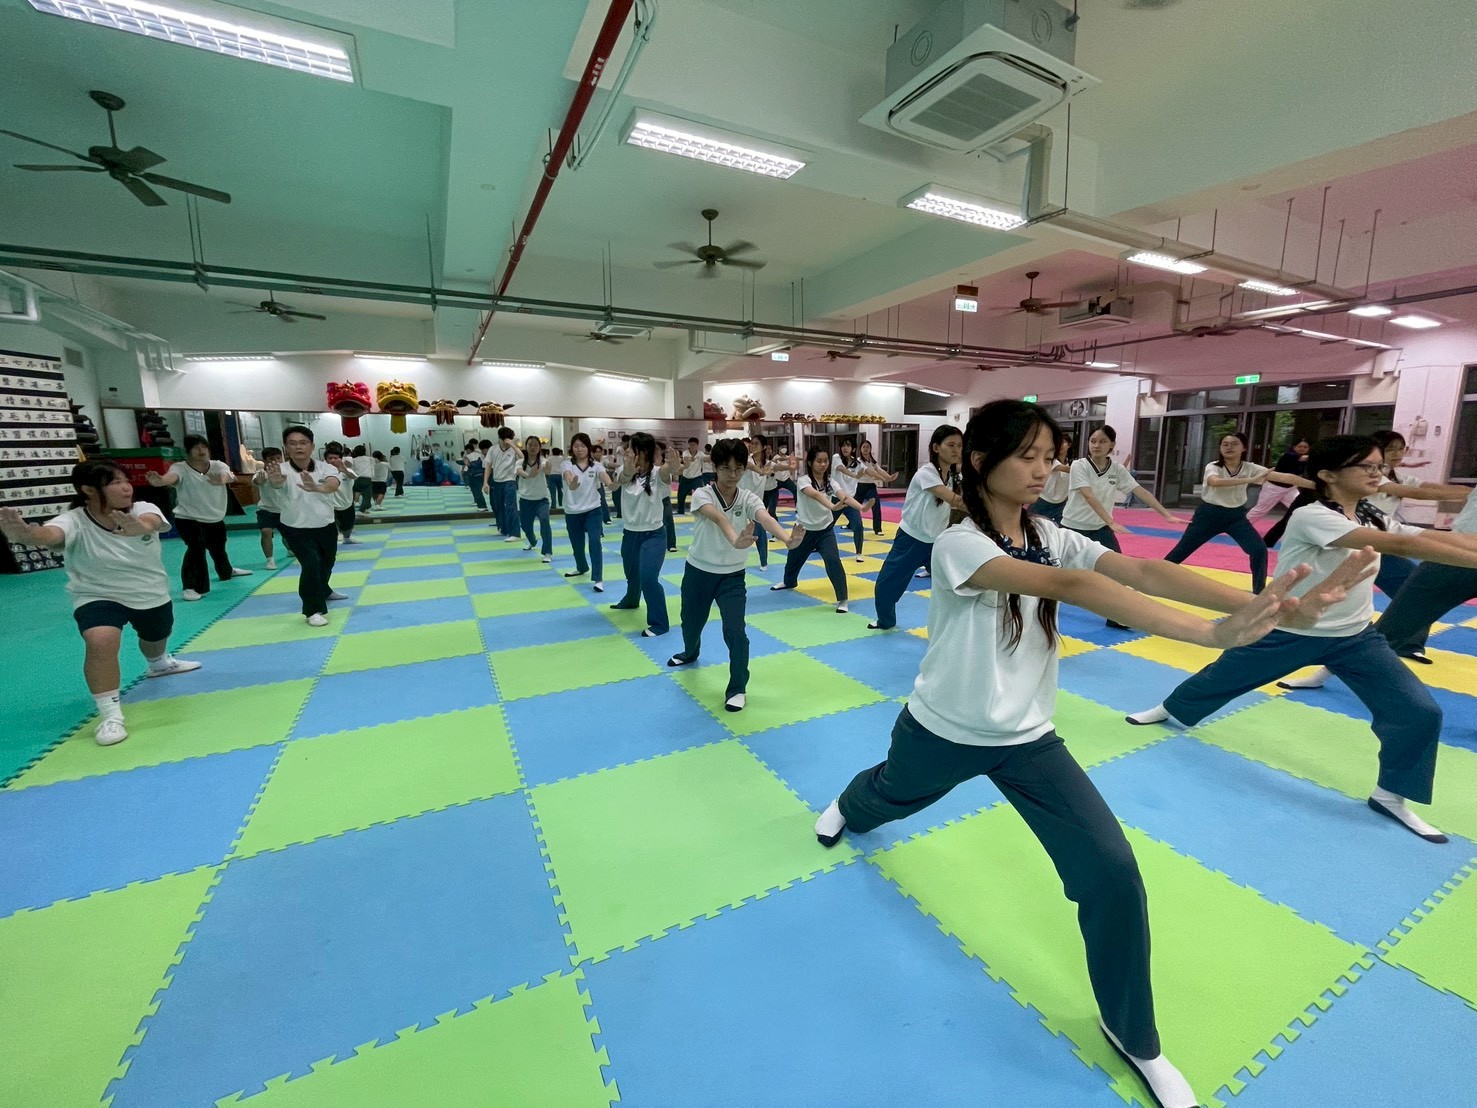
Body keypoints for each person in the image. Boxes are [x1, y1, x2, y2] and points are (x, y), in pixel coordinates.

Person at [814, 400, 1367, 1108]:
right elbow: (1073, 588)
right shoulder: (959, 543)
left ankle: (1133, 1033)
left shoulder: (1048, 532)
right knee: (885, 795)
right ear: (981, 461)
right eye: (1028, 456)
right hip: (943, 730)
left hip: (1028, 741)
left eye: (1051, 456)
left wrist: (1261, 602)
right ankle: (844, 805)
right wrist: (1207, 636)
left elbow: (1137, 572)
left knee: (1110, 874)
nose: (1044, 469)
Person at [1128, 434, 1477, 844]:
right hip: (1291, 630)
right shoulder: (1311, 516)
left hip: (1355, 637)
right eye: (1365, 466)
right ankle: (1172, 708)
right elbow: (1401, 544)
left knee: (1419, 711)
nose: (1377, 473)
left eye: (1379, 466)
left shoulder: (1370, 514)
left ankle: (1392, 795)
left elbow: (1426, 536)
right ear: (1328, 474)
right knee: (1220, 678)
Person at [0, 461, 202, 746]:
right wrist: (26, 536)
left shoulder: (144, 508)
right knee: (101, 641)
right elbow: (51, 535)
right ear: (88, 490)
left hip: (148, 593)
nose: (125, 487)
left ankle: (158, 663)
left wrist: (137, 528)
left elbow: (151, 523)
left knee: (155, 638)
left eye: (126, 480)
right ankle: (110, 715)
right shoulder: (74, 519)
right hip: (96, 593)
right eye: (115, 482)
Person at [668, 438, 800, 711]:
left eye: (739, 469)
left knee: (735, 632)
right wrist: (734, 540)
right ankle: (690, 652)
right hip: (698, 572)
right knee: (690, 623)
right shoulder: (703, 493)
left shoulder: (749, 497)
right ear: (715, 467)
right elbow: (720, 518)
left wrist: (786, 539)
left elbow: (765, 517)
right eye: (727, 469)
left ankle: (738, 687)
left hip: (732, 577)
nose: (733, 475)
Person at [1061, 424, 1186, 628]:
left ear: (1112, 444)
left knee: (1118, 571)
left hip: (1100, 529)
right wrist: (1111, 521)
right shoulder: (1079, 465)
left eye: (1102, 441)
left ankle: (1116, 616)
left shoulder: (1117, 469)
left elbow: (1139, 491)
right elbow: (1088, 495)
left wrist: (1166, 514)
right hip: (1073, 527)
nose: (1096, 445)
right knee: (1056, 569)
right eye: (1093, 441)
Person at [1162, 432, 1312, 594]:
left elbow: (1285, 477)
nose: (1229, 447)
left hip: (1236, 517)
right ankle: (1150, 576)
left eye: (1234, 444)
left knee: (1259, 549)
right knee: (1179, 552)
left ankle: (1258, 593)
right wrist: (1249, 480)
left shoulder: (1250, 468)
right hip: (1208, 516)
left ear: (1244, 448)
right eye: (1225, 444)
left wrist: (1316, 485)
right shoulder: (1213, 466)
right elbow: (1215, 482)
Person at [869, 425, 964, 630]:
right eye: (951, 445)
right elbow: (955, 501)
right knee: (887, 585)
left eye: (959, 445)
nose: (956, 450)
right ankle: (885, 621)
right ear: (936, 448)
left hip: (937, 542)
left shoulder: (956, 476)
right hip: (912, 539)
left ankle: (956, 628)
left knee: (955, 584)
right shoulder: (926, 473)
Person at [1373, 485, 1476, 665]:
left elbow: (1419, 491)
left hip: (1456, 552)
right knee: (1401, 615)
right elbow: (1418, 491)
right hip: (1455, 552)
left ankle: (1406, 645)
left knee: (1402, 613)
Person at [145, 433, 250, 600]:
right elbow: (170, 478)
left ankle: (226, 571)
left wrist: (221, 480)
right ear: (188, 451)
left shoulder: (217, 465)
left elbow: (227, 475)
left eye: (204, 446)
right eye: (196, 447)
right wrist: (160, 481)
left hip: (214, 517)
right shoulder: (181, 468)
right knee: (196, 549)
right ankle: (192, 586)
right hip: (188, 518)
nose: (201, 450)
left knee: (218, 548)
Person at [771, 444, 864, 612]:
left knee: (833, 561)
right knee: (793, 560)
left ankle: (843, 599)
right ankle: (789, 582)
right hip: (803, 529)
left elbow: (843, 496)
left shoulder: (830, 481)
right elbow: (815, 494)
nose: (823, 464)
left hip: (824, 531)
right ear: (811, 463)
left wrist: (861, 508)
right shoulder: (803, 480)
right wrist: (832, 506)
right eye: (819, 461)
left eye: (826, 461)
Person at [265, 426, 343, 626]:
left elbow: (333, 484)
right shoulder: (279, 470)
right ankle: (312, 609)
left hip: (325, 524)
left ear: (312, 446)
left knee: (327, 562)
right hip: (295, 527)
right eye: (292, 443)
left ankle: (323, 589)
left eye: (303, 443)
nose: (298, 447)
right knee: (311, 563)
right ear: (286, 447)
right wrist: (274, 482)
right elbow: (275, 483)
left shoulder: (326, 467)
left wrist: (317, 487)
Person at [611, 432, 681, 636]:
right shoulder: (625, 471)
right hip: (630, 534)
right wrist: (628, 470)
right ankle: (631, 600)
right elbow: (617, 482)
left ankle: (660, 623)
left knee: (649, 578)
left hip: (654, 535)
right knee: (632, 574)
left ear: (642, 452)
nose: (626, 452)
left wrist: (673, 467)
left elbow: (667, 471)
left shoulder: (657, 473)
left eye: (630, 448)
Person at [561, 432, 611, 592]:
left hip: (593, 510)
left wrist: (611, 484)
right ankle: (581, 567)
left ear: (588, 448)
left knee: (595, 542)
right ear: (572, 448)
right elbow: (569, 478)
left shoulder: (596, 466)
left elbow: (604, 477)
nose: (579, 449)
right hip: (572, 511)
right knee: (577, 545)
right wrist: (572, 484)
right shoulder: (567, 464)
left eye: (582, 446)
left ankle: (598, 579)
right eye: (576, 446)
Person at [1246, 438, 1309, 526]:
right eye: (1300, 446)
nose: (1302, 448)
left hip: (1290, 488)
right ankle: (1243, 526)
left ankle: (1303, 527)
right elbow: (1303, 458)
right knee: (1261, 510)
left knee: (1301, 507)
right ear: (1294, 447)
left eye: (1305, 447)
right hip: (1274, 487)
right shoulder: (1289, 455)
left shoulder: (1304, 460)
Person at [830, 438, 871, 563]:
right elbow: (842, 469)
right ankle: (816, 545)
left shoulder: (858, 463)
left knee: (858, 526)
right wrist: (855, 475)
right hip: (836, 498)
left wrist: (886, 477)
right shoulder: (836, 457)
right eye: (843, 445)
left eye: (848, 446)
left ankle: (859, 553)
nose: (845, 448)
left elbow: (871, 470)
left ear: (853, 449)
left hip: (850, 500)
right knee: (826, 524)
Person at [516, 434, 554, 563]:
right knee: (525, 526)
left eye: (536, 445)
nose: (533, 447)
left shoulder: (542, 461)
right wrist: (529, 474)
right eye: (530, 445)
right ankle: (532, 541)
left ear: (540, 447)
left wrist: (547, 468)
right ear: (526, 446)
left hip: (542, 499)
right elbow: (519, 471)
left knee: (544, 520)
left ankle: (547, 552)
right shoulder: (520, 462)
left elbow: (547, 470)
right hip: (525, 500)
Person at [739, 437, 773, 569]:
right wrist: (761, 471)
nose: (752, 446)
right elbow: (750, 466)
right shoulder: (747, 459)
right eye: (751, 443)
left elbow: (779, 466)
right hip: (741, 500)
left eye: (756, 444)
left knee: (760, 531)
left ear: (764, 447)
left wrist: (790, 466)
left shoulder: (768, 463)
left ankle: (764, 562)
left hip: (756, 503)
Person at [251, 446, 287, 570]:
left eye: (278, 458)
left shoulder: (288, 472)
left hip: (285, 510)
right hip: (266, 509)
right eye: (272, 459)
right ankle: (270, 560)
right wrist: (259, 482)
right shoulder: (261, 473)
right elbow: (257, 482)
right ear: (265, 460)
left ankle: (291, 549)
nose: (276, 461)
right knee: (266, 532)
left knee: (288, 537)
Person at [484, 428, 523, 540]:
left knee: (511, 507)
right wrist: (485, 482)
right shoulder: (493, 449)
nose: (506, 442)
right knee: (499, 508)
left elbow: (523, 457)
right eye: (504, 439)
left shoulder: (513, 450)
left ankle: (515, 534)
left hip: (510, 481)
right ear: (500, 439)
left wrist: (513, 445)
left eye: (509, 439)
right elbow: (488, 466)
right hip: (496, 482)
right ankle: (504, 529)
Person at [855, 439, 897, 536]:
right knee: (854, 507)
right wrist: (884, 479)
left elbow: (879, 470)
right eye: (863, 447)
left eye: (867, 447)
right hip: (860, 486)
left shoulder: (873, 461)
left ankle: (877, 529)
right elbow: (871, 473)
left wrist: (889, 477)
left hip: (870, 487)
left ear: (870, 449)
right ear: (860, 449)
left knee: (876, 505)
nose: (865, 449)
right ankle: (850, 524)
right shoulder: (858, 461)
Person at [1032, 433, 1073, 525]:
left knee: (1060, 529)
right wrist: (1084, 469)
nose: (1060, 446)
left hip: (1060, 503)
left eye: (1063, 443)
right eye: (1057, 443)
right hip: (1043, 500)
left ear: (1069, 445)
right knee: (1032, 526)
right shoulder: (1052, 460)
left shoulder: (1071, 462)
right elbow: (1065, 469)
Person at [323, 444, 361, 545]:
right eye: (330, 458)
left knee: (348, 523)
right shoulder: (322, 471)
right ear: (325, 460)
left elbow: (354, 477)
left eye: (335, 458)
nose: (332, 460)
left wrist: (344, 470)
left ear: (340, 459)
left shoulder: (347, 470)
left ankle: (347, 538)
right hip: (329, 503)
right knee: (330, 524)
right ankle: (332, 542)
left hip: (346, 501)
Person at [676, 437, 704, 514]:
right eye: (690, 445)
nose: (692, 446)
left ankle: (701, 511)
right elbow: (686, 458)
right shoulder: (685, 452)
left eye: (694, 445)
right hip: (685, 478)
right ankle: (680, 511)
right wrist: (690, 459)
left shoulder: (700, 454)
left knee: (701, 495)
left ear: (697, 445)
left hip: (697, 478)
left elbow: (706, 458)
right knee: (681, 495)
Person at [350, 444, 375, 513]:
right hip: (367, 479)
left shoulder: (353, 460)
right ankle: (361, 510)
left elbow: (352, 469)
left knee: (356, 494)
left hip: (357, 479)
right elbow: (373, 466)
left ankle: (368, 508)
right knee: (367, 496)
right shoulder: (370, 459)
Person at [465, 440, 488, 513]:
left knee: (477, 491)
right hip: (477, 474)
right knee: (476, 491)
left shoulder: (472, 455)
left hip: (476, 474)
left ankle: (482, 506)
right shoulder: (480, 454)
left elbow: (473, 464)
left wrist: (469, 464)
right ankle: (480, 504)